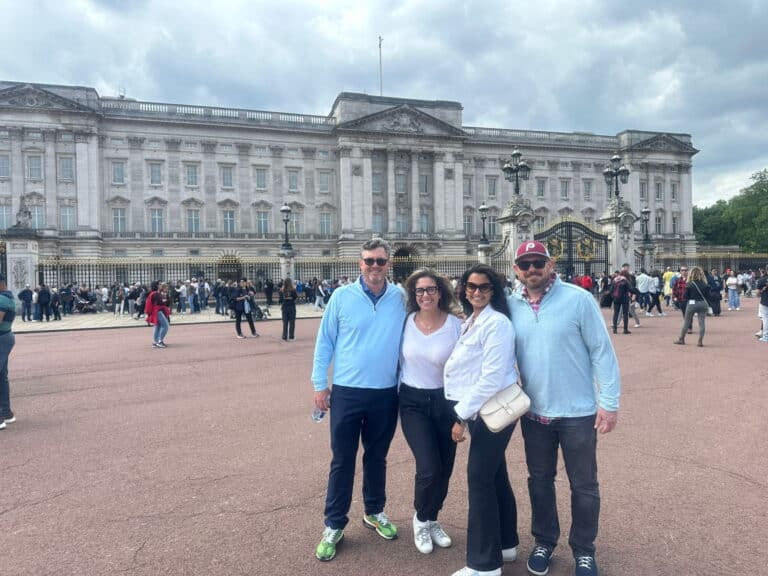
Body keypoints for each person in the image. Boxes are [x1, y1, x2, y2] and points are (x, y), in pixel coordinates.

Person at [507, 240, 621, 576]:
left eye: (537, 263)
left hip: (578, 412)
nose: (532, 270)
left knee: (583, 485)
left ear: (550, 264)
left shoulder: (579, 299)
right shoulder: (510, 304)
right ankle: (544, 540)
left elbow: (602, 352)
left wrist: (609, 403)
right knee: (539, 481)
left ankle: (584, 549)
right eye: (525, 264)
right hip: (534, 412)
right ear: (516, 269)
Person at [311, 238, 406, 562]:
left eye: (380, 261)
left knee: (377, 457)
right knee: (342, 460)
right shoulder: (341, 297)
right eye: (369, 261)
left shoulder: (400, 297)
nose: (375, 267)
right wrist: (318, 384)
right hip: (347, 391)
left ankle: (374, 511)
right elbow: (325, 342)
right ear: (360, 264)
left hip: (385, 392)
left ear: (388, 264)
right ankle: (334, 523)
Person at [443, 263, 520, 576]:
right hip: (482, 410)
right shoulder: (474, 319)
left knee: (479, 479)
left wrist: (460, 415)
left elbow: (490, 378)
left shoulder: (497, 323)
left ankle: (484, 565)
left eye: (484, 287)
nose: (476, 292)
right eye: (471, 286)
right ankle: (507, 543)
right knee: (495, 474)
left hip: (489, 408)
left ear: (494, 291)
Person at [399, 269, 461, 555]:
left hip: (446, 401)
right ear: (413, 295)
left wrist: (462, 416)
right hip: (412, 402)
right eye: (420, 290)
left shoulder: (456, 326)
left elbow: (466, 369)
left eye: (431, 289)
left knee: (445, 469)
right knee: (428, 467)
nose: (425, 295)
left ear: (440, 292)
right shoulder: (404, 322)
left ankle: (433, 517)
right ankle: (421, 519)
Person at [673, 266, 710, 347]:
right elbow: (708, 296)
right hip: (702, 303)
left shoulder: (689, 284)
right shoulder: (705, 284)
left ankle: (681, 339)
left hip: (692, 303)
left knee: (686, 321)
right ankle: (700, 341)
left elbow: (686, 296)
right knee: (702, 323)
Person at [0, 274, 17, 430]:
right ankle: (6, 412)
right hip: (6, 336)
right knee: (2, 377)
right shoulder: (7, 297)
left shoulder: (2, 299)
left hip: (1, 338)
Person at [150, 282, 172, 348]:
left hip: (157, 311)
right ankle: (160, 341)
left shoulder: (155, 293)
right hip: (159, 311)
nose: (160, 286)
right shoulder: (156, 293)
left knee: (158, 326)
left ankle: (156, 342)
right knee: (166, 326)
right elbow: (161, 303)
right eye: (159, 284)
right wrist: (168, 301)